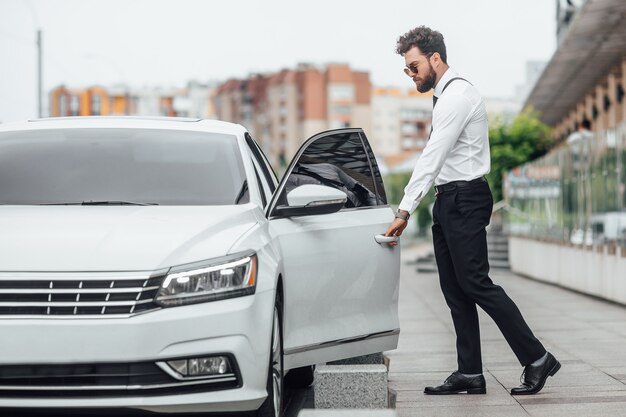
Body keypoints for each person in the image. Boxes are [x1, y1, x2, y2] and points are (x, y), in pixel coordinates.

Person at [384, 26, 560, 396]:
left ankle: (537, 358)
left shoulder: (457, 96)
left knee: (477, 283)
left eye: (414, 66)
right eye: (406, 70)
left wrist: (404, 209)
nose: (411, 75)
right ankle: (470, 372)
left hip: (464, 197)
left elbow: (433, 155)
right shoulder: (444, 96)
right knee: (455, 290)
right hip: (448, 199)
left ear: (435, 58)